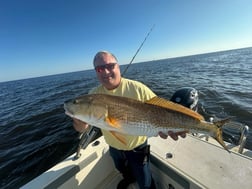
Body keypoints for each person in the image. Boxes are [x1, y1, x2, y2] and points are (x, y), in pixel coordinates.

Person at [72, 51, 187, 189]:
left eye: (110, 65)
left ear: (118, 66)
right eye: (100, 68)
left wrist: (174, 125)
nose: (106, 71)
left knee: (145, 182)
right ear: (96, 72)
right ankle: (129, 178)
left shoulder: (138, 88)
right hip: (114, 147)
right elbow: (82, 128)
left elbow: (162, 109)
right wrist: (79, 123)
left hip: (137, 147)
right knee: (123, 171)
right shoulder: (92, 96)